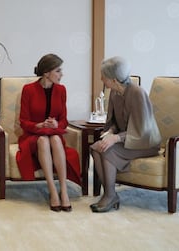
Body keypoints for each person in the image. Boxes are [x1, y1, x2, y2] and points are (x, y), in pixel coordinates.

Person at [90, 56, 161, 213]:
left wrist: (115, 138)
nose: (101, 78)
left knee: (108, 149)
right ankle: (110, 193)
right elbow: (115, 121)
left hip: (145, 142)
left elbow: (143, 129)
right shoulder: (115, 93)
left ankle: (109, 196)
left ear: (114, 79)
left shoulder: (137, 93)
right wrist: (110, 131)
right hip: (127, 139)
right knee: (96, 147)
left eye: (103, 76)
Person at [16, 54, 81, 212]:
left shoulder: (61, 90)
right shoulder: (28, 90)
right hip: (33, 135)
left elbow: (64, 120)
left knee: (55, 140)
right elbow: (23, 121)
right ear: (46, 73)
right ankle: (53, 191)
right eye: (58, 71)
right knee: (43, 140)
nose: (61, 74)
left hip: (54, 135)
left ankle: (63, 191)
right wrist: (39, 125)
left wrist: (57, 124)